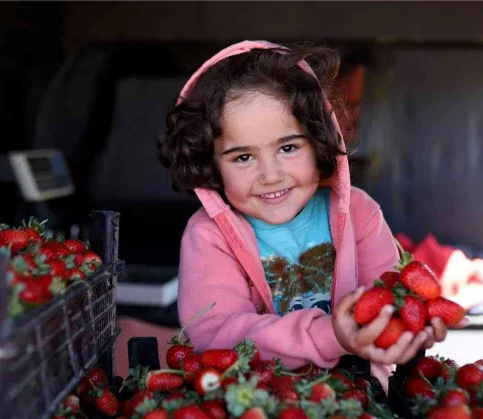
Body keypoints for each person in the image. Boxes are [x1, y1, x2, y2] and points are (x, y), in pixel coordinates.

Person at [158, 40, 466, 387]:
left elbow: (389, 303)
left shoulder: (360, 214)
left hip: (358, 397)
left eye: (288, 148)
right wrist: (329, 336)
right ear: (209, 163)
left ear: (319, 140)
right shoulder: (208, 236)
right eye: (243, 157)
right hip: (252, 403)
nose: (271, 175)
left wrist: (409, 328)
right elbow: (216, 335)